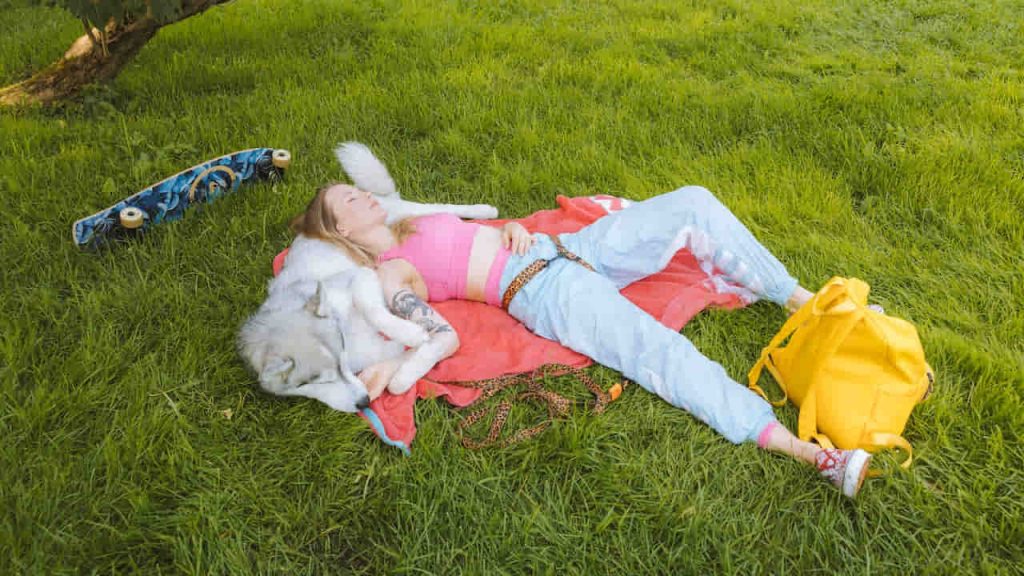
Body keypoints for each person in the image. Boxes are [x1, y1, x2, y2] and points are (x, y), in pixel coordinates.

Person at [290, 182, 873, 498]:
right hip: (543, 292)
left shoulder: (411, 222)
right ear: (340, 228)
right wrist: (380, 361)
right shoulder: (386, 267)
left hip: (565, 248)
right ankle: (808, 453)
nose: (363, 195)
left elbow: (479, 234)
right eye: (348, 199)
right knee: (657, 354)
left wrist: (514, 227)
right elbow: (402, 315)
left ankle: (806, 302)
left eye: (357, 188)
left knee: (692, 202)